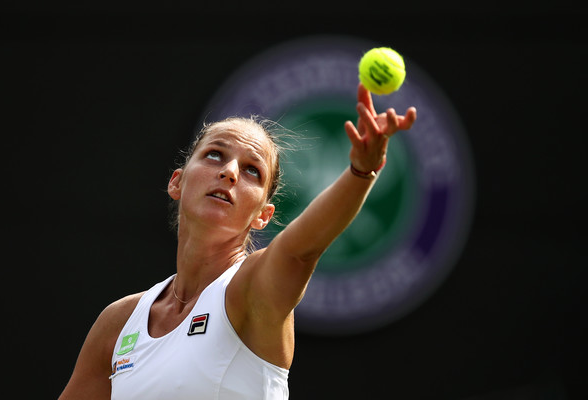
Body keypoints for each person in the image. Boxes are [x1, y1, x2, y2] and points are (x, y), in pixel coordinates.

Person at [58, 83, 417, 400]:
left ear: (262, 214)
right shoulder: (119, 322)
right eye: (215, 154)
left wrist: (361, 171)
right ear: (177, 183)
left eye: (251, 171)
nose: (229, 171)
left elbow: (302, 249)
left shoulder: (252, 288)